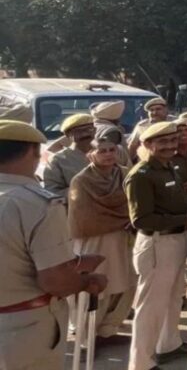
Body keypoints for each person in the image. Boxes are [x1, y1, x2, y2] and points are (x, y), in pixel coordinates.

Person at [0, 121, 108, 370]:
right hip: (23, 329)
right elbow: (55, 281)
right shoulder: (38, 204)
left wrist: (76, 263)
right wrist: (86, 281)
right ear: (32, 153)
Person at [125, 121, 187, 370]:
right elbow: (141, 219)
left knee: (174, 298)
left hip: (176, 240)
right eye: (161, 142)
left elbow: (172, 205)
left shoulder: (170, 168)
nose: (169, 146)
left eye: (172, 141)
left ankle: (168, 345)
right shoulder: (141, 175)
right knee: (150, 307)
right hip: (156, 243)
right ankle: (141, 363)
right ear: (147, 144)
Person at [67, 134, 134, 347]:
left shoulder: (125, 174)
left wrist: (130, 220)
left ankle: (108, 330)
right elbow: (85, 218)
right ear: (90, 155)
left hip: (123, 239)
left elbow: (135, 205)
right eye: (101, 151)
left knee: (126, 285)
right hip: (95, 241)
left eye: (111, 150)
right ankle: (86, 339)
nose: (108, 155)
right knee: (96, 288)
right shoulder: (81, 181)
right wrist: (123, 219)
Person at [42, 113, 94, 197]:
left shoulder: (108, 151)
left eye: (89, 130)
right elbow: (52, 192)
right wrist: (83, 189)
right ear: (67, 135)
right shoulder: (57, 160)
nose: (85, 134)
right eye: (79, 131)